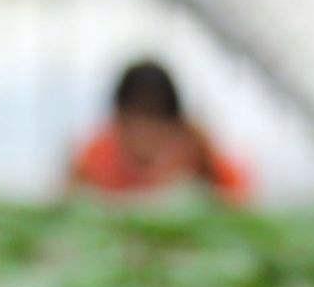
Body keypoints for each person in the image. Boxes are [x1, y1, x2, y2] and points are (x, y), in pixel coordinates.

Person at [66, 58, 254, 201]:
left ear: (175, 126)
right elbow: (65, 202)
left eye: (154, 124)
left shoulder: (197, 150)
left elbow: (241, 200)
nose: (144, 138)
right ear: (118, 121)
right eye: (135, 124)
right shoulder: (95, 157)